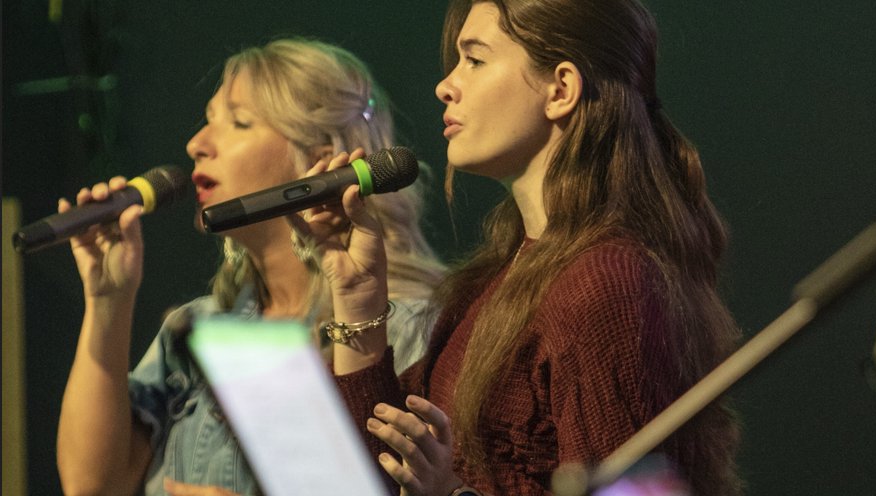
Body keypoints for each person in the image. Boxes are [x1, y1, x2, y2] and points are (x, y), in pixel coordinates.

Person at [298, 1, 743, 495]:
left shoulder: (603, 282)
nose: (446, 85)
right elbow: (377, 476)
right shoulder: (497, 280)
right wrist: (359, 297)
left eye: (475, 59)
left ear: (561, 90)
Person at [55, 38, 445, 496]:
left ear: (319, 160)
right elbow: (91, 484)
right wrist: (108, 301)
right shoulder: (198, 327)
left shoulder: (406, 328)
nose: (196, 144)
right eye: (208, 120)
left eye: (239, 122)